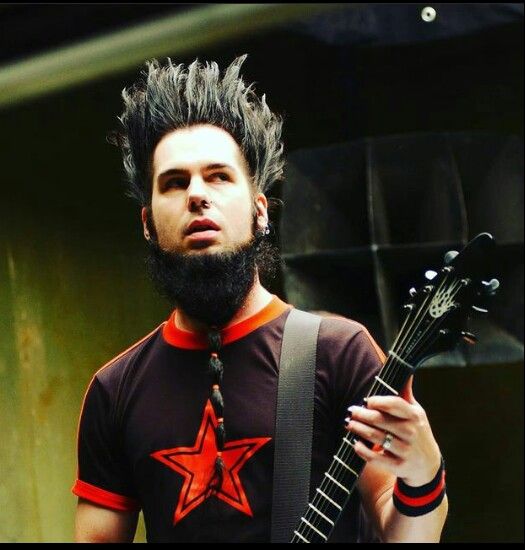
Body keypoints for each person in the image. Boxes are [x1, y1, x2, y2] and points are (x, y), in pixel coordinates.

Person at [72, 55, 448, 543]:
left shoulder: (340, 353)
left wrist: (423, 472)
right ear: (147, 224)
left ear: (260, 210)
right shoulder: (114, 391)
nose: (197, 196)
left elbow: (405, 535)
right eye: (175, 182)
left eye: (219, 176)